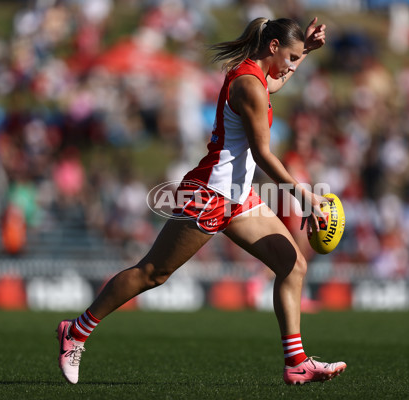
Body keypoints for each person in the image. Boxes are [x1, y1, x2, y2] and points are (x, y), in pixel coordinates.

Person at [57, 16, 347, 385]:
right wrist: (302, 194)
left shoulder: (256, 76)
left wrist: (304, 49)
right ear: (273, 47)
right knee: (152, 273)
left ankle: (297, 363)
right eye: (289, 56)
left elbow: (275, 80)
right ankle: (76, 331)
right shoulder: (249, 85)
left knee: (293, 266)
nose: (292, 66)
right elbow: (262, 154)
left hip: (238, 197)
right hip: (210, 194)